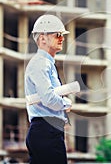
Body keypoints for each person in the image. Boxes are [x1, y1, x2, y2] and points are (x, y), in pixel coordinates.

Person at [24, 14, 72, 164]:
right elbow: (48, 98)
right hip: (46, 131)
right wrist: (66, 104)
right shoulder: (41, 63)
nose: (62, 38)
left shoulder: (46, 63)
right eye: (58, 35)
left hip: (48, 131)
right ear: (43, 38)